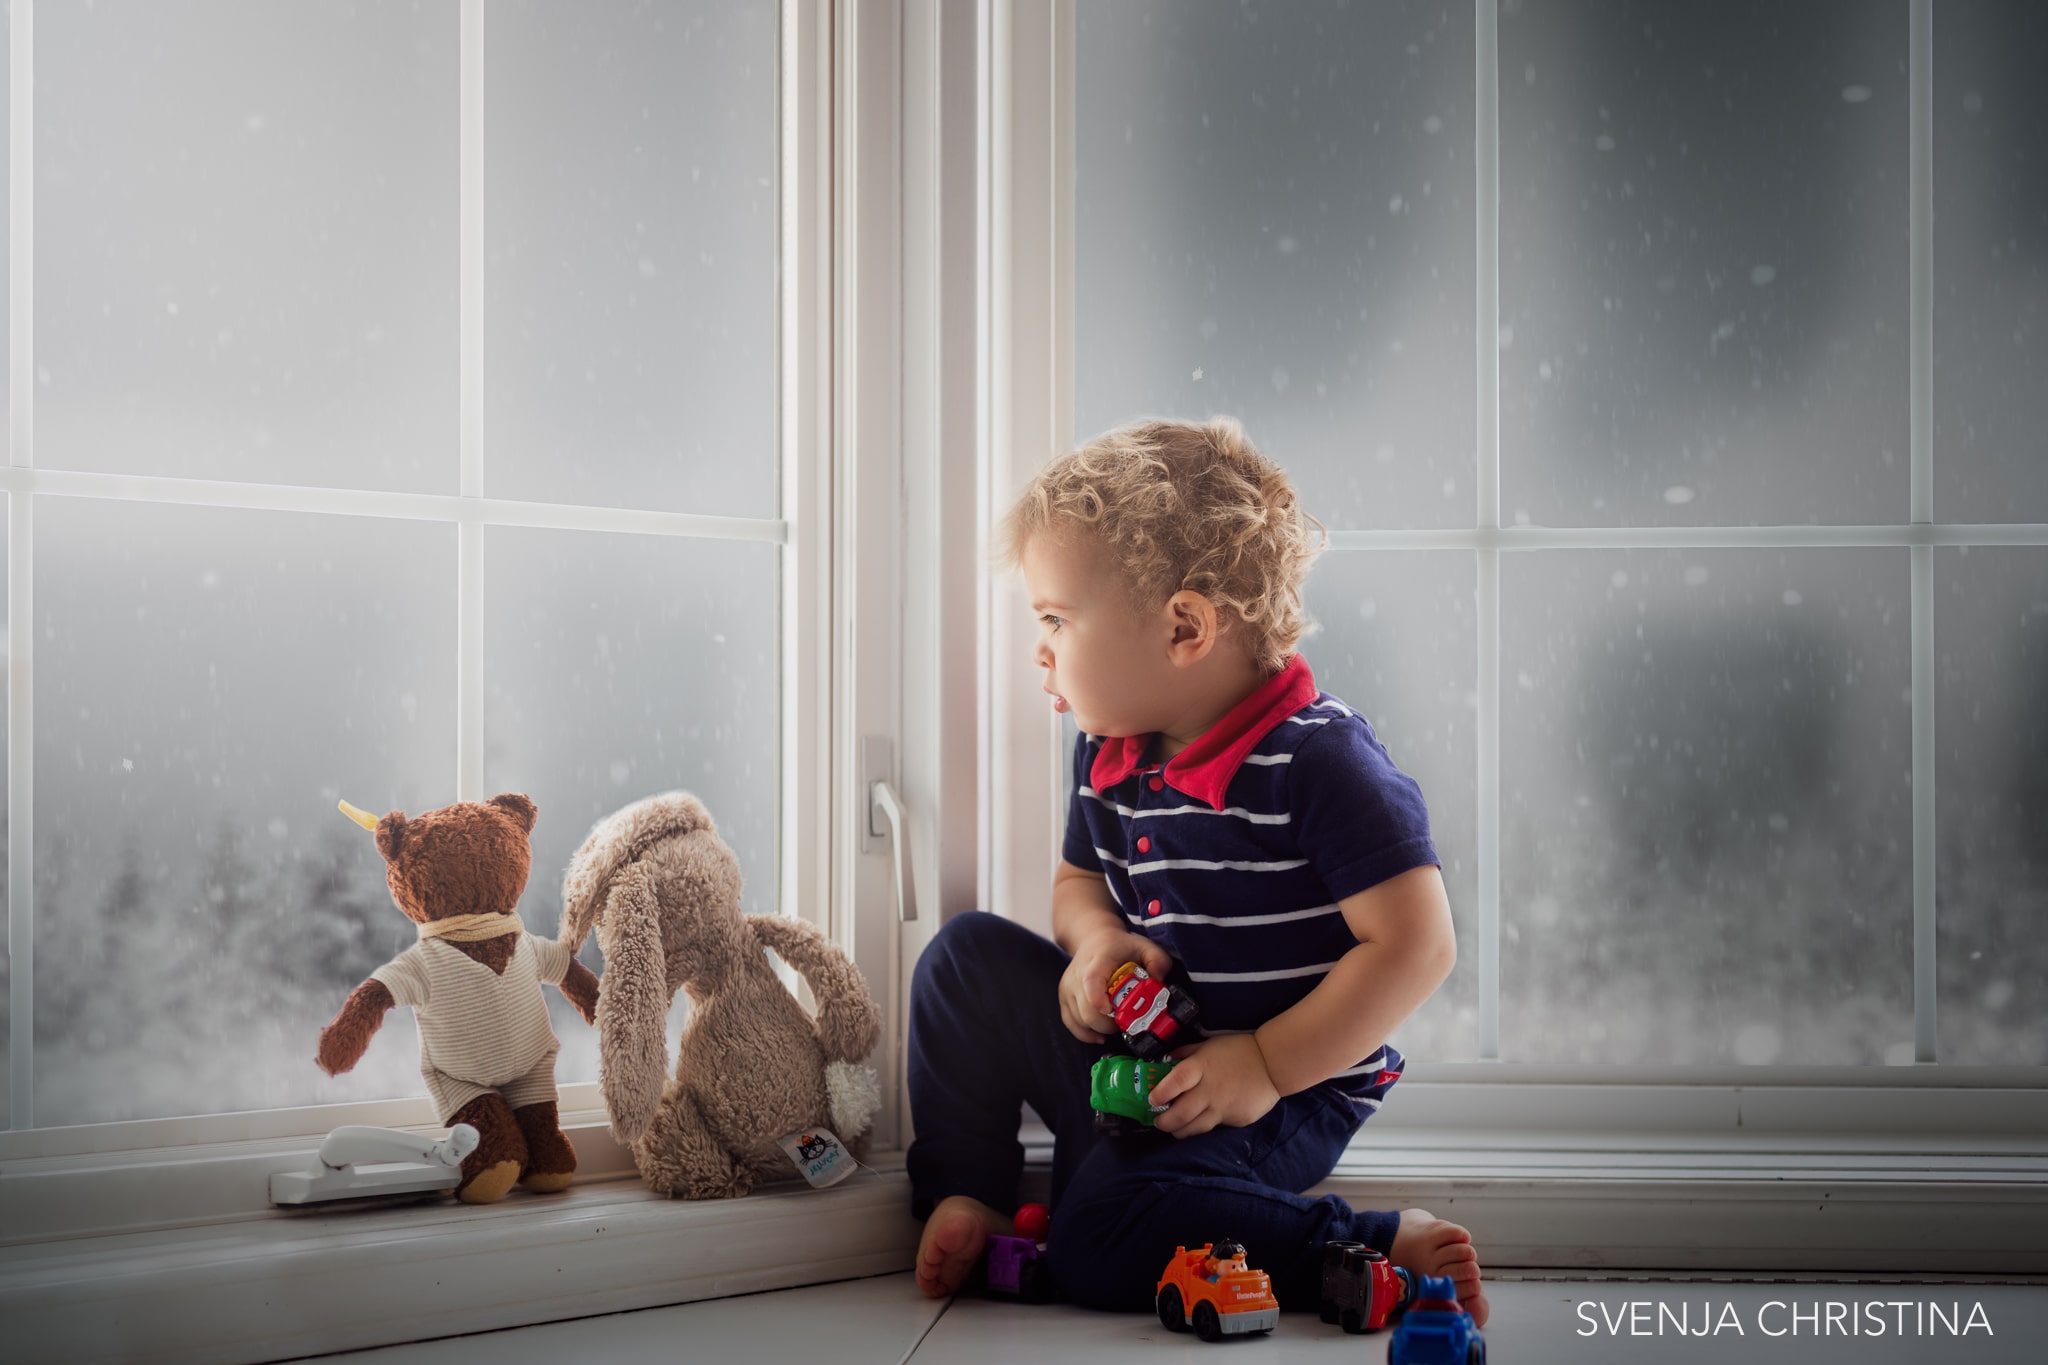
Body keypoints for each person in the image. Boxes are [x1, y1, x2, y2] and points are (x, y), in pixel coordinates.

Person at [907, 416, 1488, 1327]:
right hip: (1139, 1057)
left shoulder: (1319, 761)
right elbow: (1076, 886)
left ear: (1185, 626)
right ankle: (970, 1195)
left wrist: (1264, 1060)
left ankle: (1358, 1244)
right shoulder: (1108, 752)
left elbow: (1420, 944)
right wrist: (1095, 945)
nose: (1040, 648)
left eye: (1057, 618)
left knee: (1101, 1235)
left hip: (1282, 1088)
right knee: (962, 960)